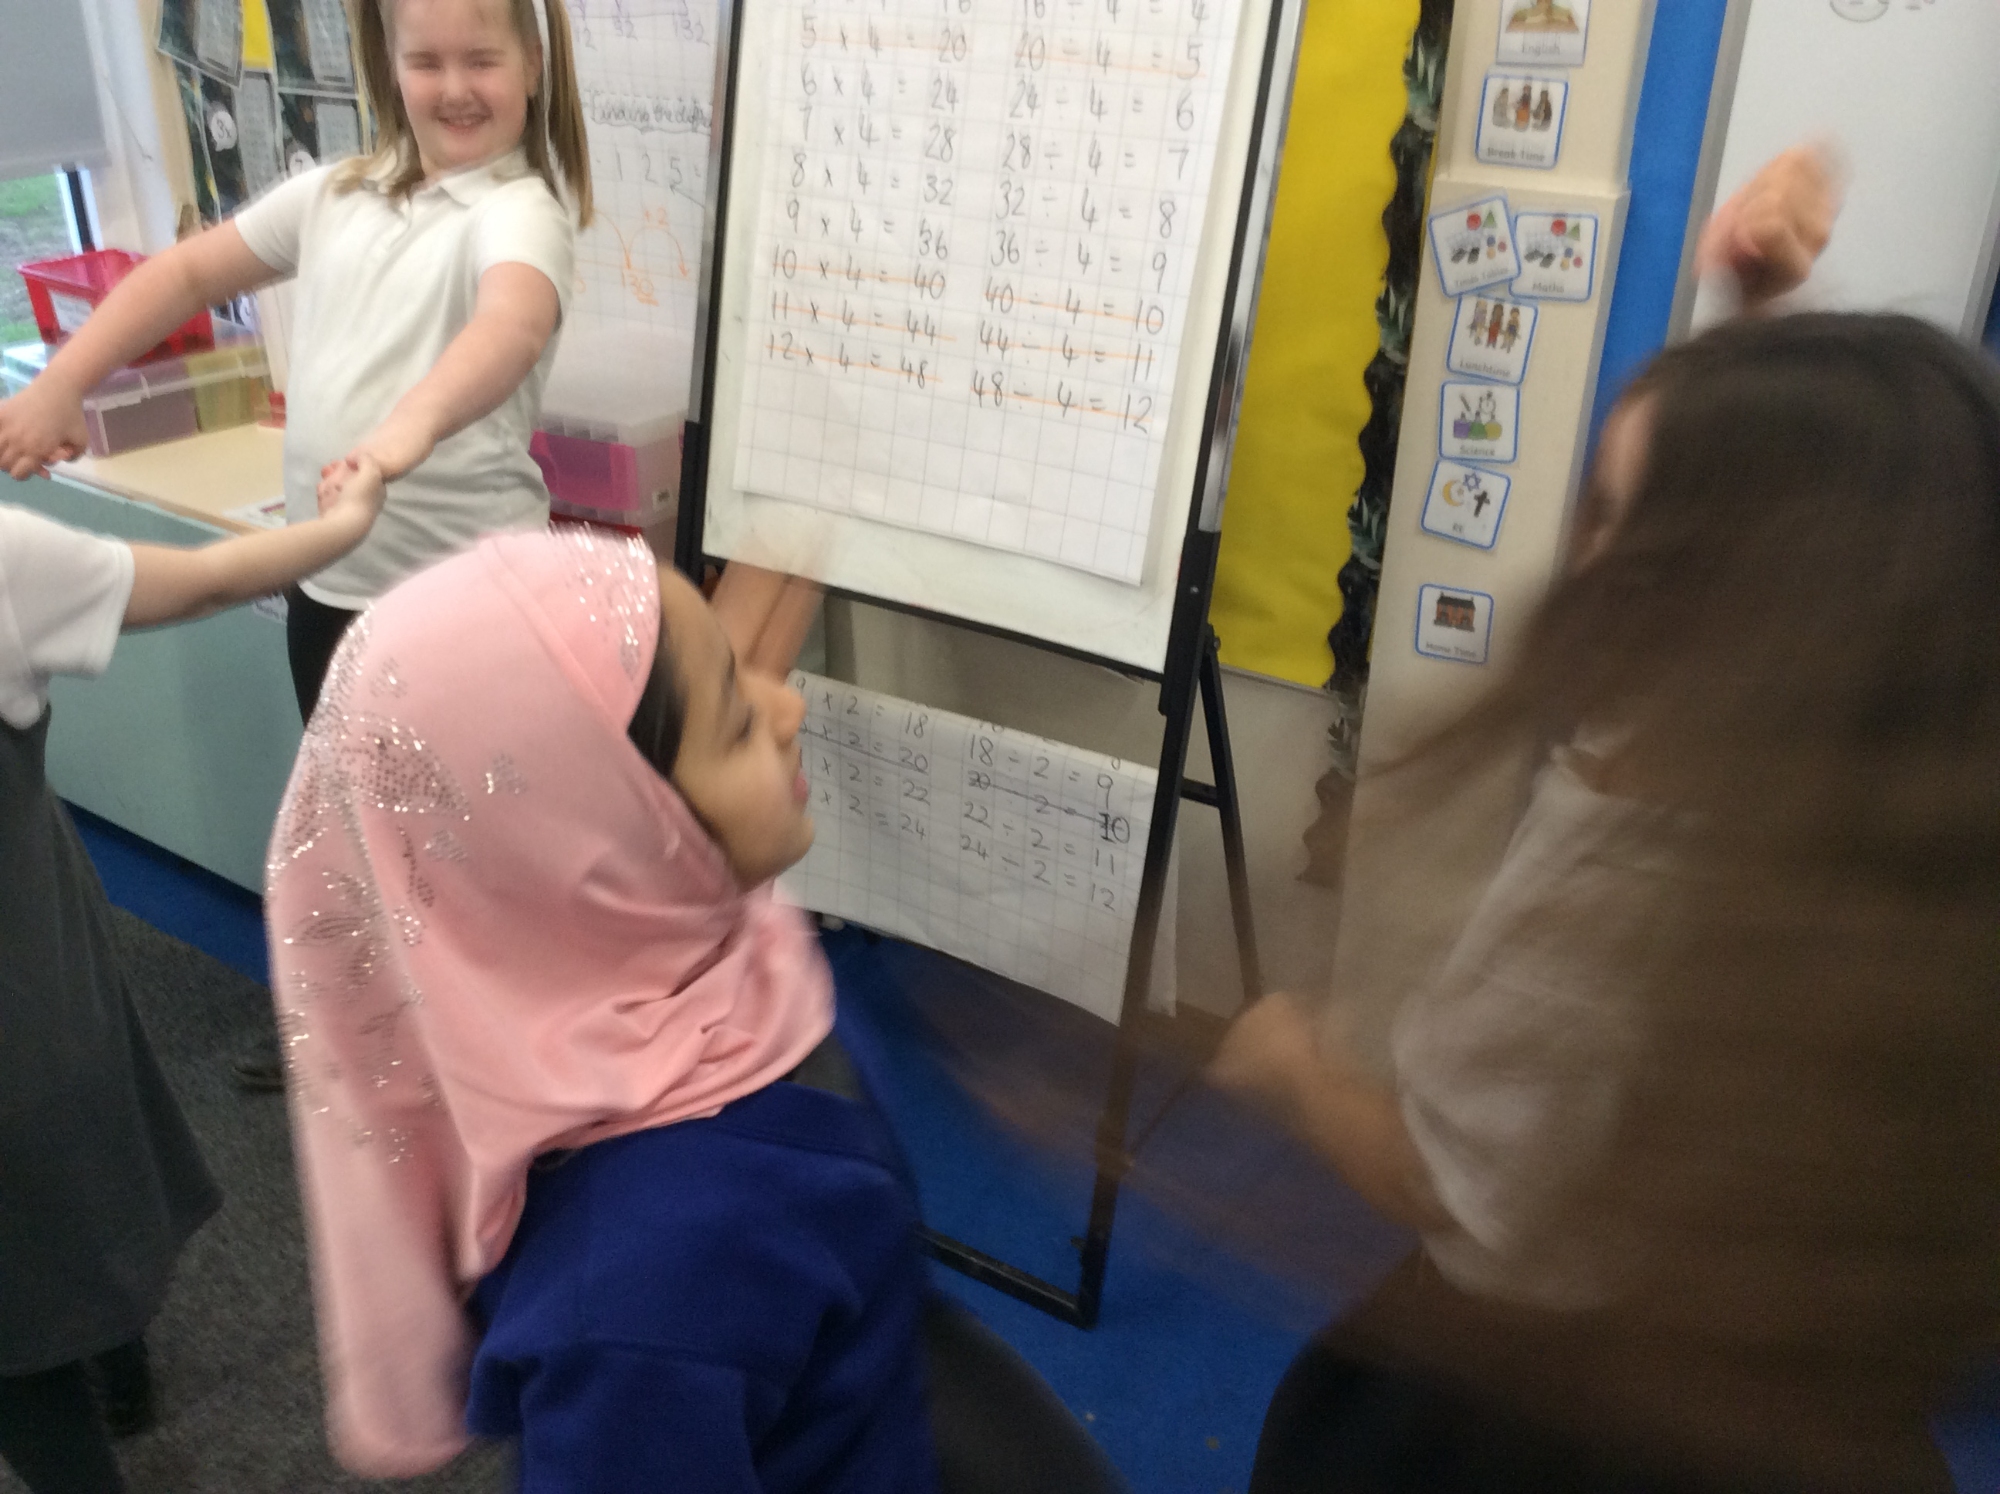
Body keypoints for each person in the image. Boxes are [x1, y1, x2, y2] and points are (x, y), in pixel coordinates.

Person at [1215, 148, 1999, 1492]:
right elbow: (1814, 523)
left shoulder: (1618, 895)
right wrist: (1754, 316)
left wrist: (1294, 1069)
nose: (1580, 564)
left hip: (1522, 1418)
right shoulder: (1867, 799)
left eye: (1612, 525)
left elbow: (1455, 1198)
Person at [264, 529, 1126, 1492]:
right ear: (614, 842)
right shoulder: (643, 1294)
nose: (788, 706)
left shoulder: (725, 954)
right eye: (737, 723)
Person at [0, 0, 593, 1088]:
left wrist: (404, 431)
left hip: (462, 609)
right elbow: (185, 276)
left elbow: (507, 326)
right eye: (426, 60)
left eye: (481, 59)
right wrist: (65, 382)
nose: (454, 86)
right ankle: (377, 1036)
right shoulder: (335, 194)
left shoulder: (520, 209)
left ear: (532, 64)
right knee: (357, 830)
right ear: (386, 63)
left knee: (468, 855)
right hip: (332, 586)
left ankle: (504, 1085)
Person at [0, 457, 386, 1494]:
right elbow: (207, 580)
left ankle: (104, 1363)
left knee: (31, 1273)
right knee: (70, 1172)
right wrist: (345, 525)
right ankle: (111, 1355)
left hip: (27, 966)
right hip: (28, 965)